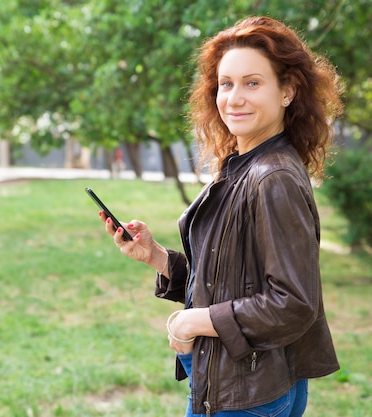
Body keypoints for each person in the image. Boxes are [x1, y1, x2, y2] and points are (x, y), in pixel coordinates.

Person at [97, 16, 343, 417]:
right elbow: (234, 277)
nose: (234, 97)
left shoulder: (272, 176)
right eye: (225, 84)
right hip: (244, 380)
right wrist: (158, 257)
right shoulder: (246, 165)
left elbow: (293, 303)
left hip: (248, 394)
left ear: (288, 91)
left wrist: (192, 322)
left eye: (252, 82)